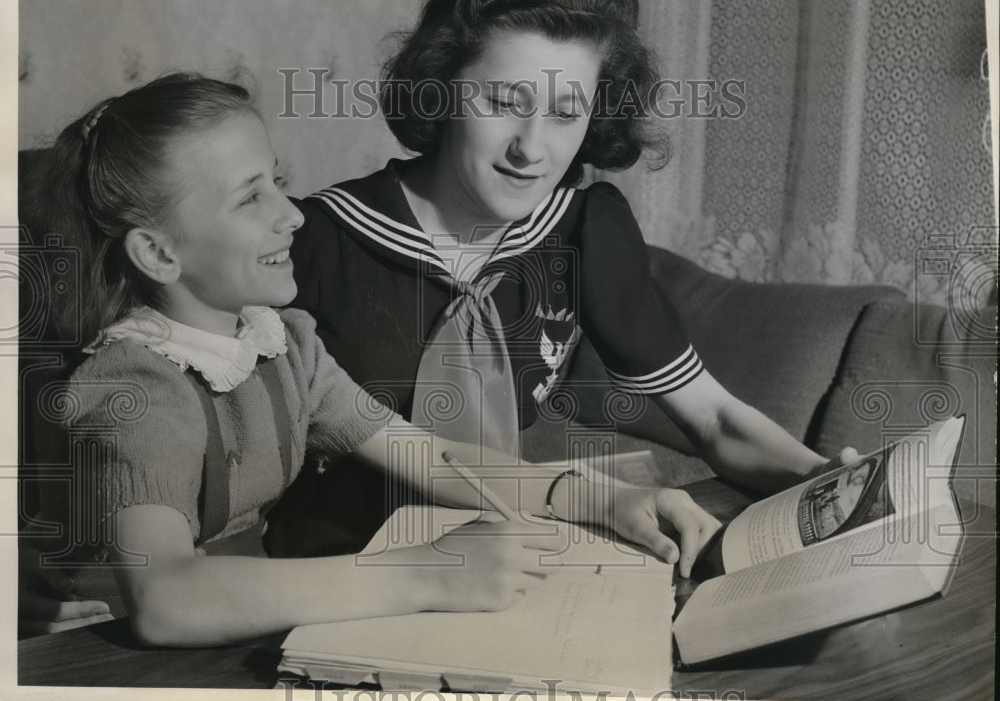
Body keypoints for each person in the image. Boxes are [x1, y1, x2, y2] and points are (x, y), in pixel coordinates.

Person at [19, 72, 721, 645]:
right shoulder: (134, 386)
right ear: (159, 253)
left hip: (238, 630)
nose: (291, 214)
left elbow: (431, 458)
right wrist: (425, 575)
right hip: (90, 657)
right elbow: (167, 599)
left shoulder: (282, 342)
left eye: (276, 181)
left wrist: (612, 501)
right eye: (250, 198)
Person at [284, 0, 856, 544]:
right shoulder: (312, 243)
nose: (531, 149)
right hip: (331, 577)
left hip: (505, 559)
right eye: (505, 103)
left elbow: (713, 417)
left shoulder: (584, 234)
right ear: (441, 88)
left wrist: (821, 477)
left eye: (566, 113)